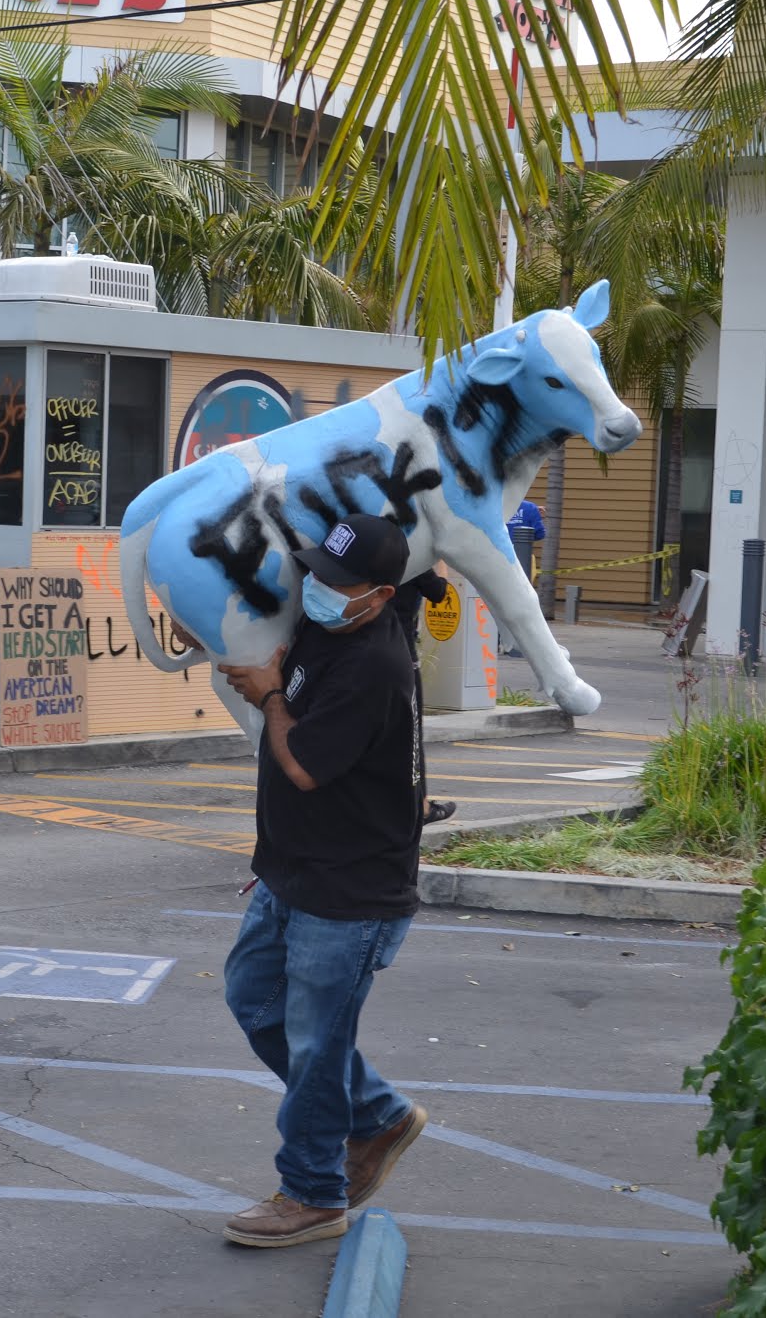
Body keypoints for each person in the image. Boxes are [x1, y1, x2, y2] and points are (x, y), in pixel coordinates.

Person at [215, 513, 428, 1249]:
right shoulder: (328, 626)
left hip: (349, 892)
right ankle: (377, 1116)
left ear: (382, 594)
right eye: (317, 573)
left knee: (314, 1044)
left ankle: (312, 1192)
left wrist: (270, 696)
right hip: (292, 869)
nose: (320, 589)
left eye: (340, 583)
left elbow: (303, 765)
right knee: (253, 999)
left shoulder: (374, 664)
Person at [389, 569, 456, 826]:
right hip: (403, 656)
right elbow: (438, 592)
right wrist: (440, 563)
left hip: (360, 651)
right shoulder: (411, 559)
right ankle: (421, 807)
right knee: (411, 736)